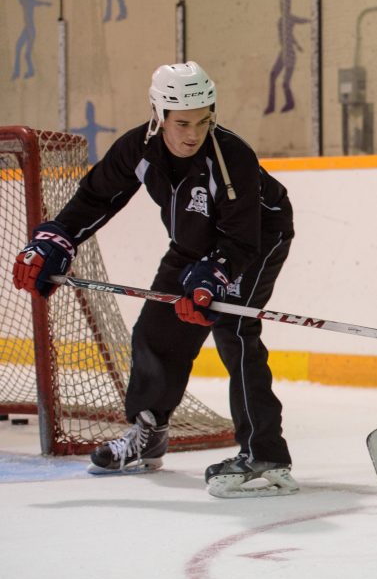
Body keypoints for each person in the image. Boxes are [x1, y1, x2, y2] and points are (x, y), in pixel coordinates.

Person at [11, 61, 298, 499]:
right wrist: (55, 240)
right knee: (155, 331)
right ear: (158, 114)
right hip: (192, 241)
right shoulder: (138, 149)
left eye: (203, 121)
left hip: (257, 237)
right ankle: (149, 433)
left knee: (234, 329)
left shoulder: (231, 156)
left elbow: (242, 239)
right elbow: (94, 197)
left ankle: (265, 454)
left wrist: (213, 278)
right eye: (182, 122)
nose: (192, 133)